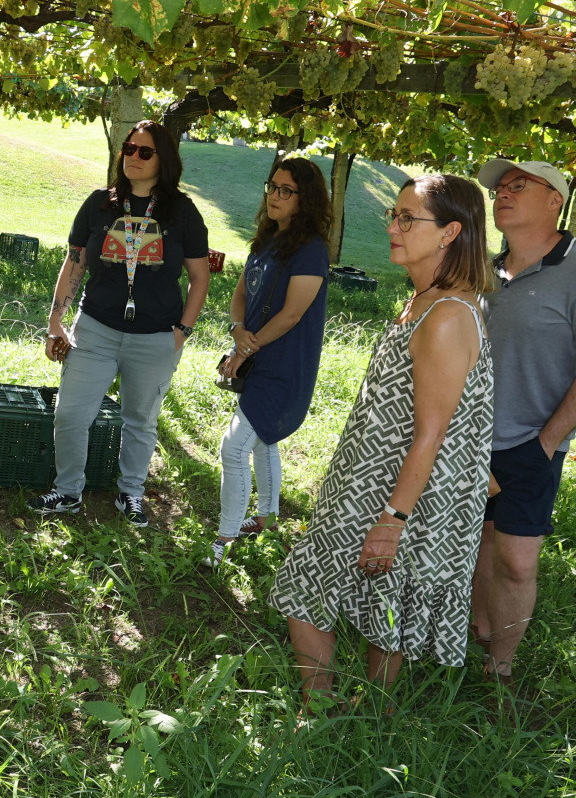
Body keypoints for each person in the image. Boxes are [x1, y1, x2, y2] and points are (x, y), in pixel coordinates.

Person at [268, 174, 494, 713]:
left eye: (407, 218)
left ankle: (324, 710)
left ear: (450, 234)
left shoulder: (446, 316)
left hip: (400, 491)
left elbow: (433, 432)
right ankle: (369, 715)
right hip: (374, 479)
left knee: (307, 584)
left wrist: (393, 520)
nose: (393, 227)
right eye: (392, 215)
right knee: (383, 598)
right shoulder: (426, 301)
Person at [27, 120, 210, 527]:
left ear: (164, 160)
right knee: (71, 414)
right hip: (96, 330)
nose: (133, 157)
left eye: (145, 152)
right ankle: (69, 491)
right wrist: (56, 322)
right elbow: (75, 262)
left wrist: (182, 331)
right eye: (129, 149)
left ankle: (130, 494)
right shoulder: (99, 204)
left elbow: (200, 279)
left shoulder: (182, 212)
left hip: (156, 337)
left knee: (140, 421)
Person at [470, 159, 576, 689]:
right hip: (465, 442)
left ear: (555, 200)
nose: (502, 195)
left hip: (532, 444)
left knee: (516, 560)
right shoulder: (485, 271)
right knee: (474, 544)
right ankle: (475, 636)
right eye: (499, 189)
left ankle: (500, 672)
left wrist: (548, 442)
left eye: (518, 186)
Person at [203, 159, 331, 568]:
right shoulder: (266, 240)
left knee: (235, 446)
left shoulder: (312, 250)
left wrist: (244, 349)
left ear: (304, 199)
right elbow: (241, 293)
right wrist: (238, 328)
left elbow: (293, 314)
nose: (274, 196)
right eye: (272, 187)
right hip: (259, 356)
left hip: (284, 366)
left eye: (286, 191)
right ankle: (266, 518)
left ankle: (224, 538)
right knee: (264, 441)